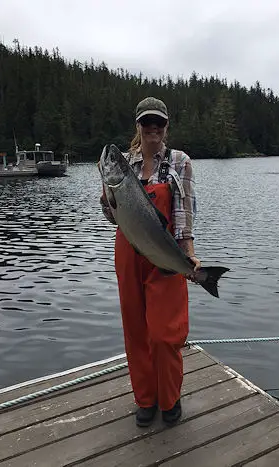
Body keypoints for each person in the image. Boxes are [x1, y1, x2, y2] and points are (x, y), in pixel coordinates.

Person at [100, 97, 200, 427]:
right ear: (138, 127)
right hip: (127, 253)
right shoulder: (122, 163)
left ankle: (169, 398)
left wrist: (187, 252)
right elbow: (113, 218)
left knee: (164, 333)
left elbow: (184, 210)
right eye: (147, 123)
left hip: (163, 251)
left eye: (158, 122)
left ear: (166, 126)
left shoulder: (179, 161)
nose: (152, 128)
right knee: (136, 330)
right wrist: (107, 200)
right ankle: (145, 398)